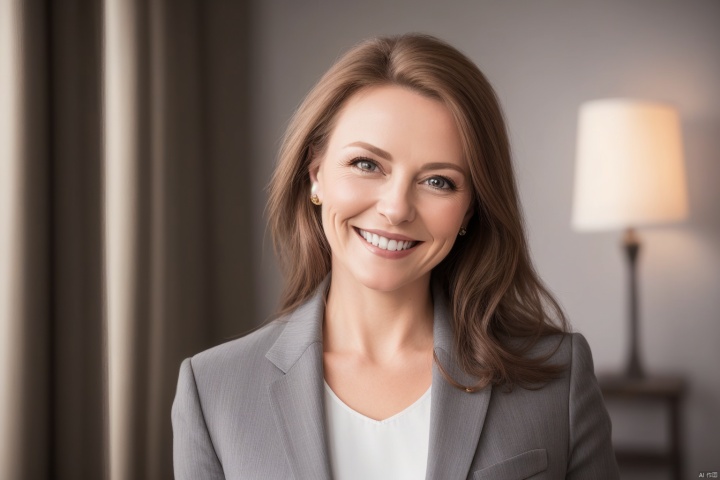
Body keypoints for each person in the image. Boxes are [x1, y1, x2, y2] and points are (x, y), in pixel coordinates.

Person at [172, 33, 619, 480]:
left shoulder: (558, 377)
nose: (396, 208)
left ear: (470, 209)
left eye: (439, 181)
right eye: (367, 164)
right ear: (316, 176)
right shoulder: (213, 390)